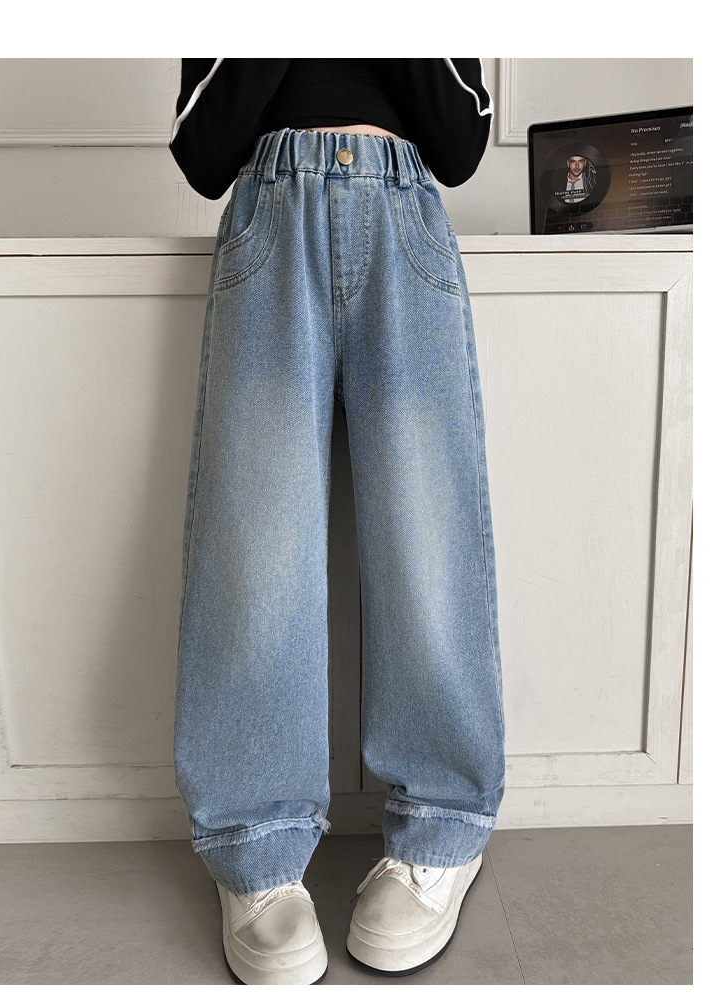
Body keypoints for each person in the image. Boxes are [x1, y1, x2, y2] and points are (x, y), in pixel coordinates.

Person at [169, 58, 506, 985]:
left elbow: (461, 143)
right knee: (256, 544)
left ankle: (442, 825)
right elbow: (202, 152)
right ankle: (256, 846)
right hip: (267, 221)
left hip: (405, 216)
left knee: (426, 542)